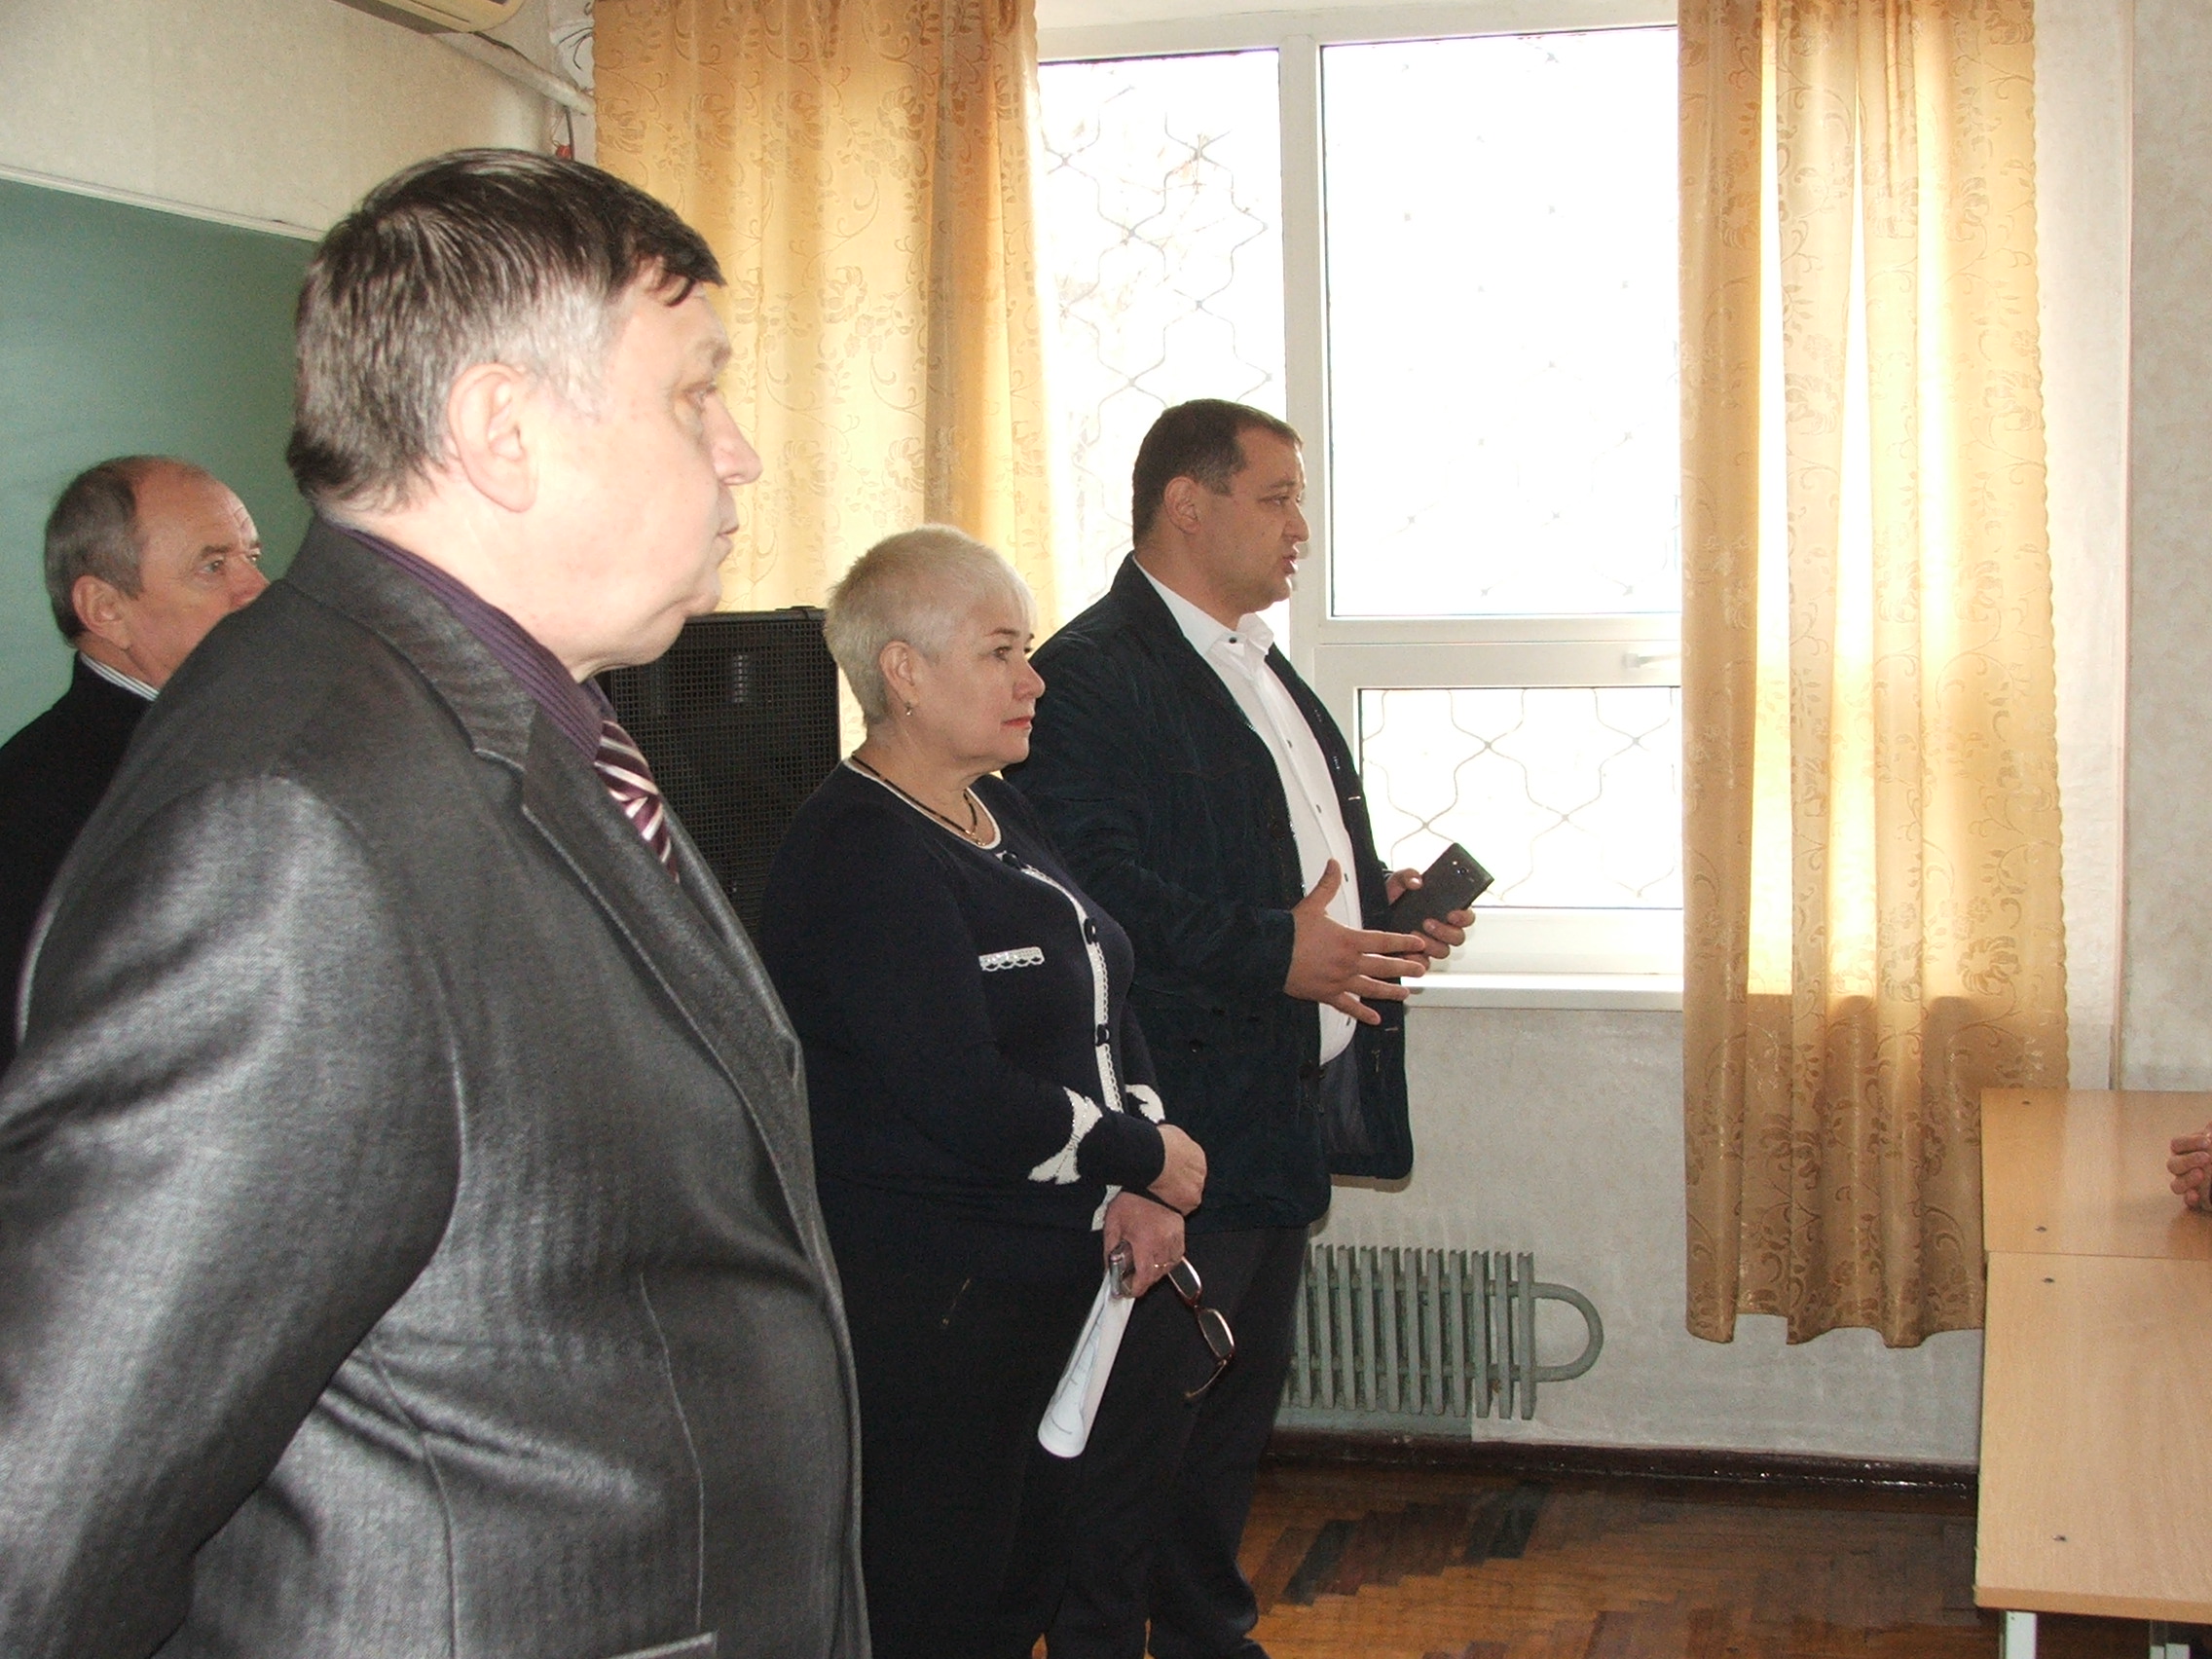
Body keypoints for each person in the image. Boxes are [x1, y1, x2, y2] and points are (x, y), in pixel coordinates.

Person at [0, 151, 863, 1658]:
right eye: (693, 393)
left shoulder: (505, 716)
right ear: (501, 430)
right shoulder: (295, 827)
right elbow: (43, 1510)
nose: (737, 454)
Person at [1008, 399, 1473, 1659]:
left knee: (1220, 1435)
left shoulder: (1253, 659)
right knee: (1134, 1440)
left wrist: (1380, 913)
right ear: (1187, 504)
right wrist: (1280, 948)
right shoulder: (1091, 675)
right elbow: (1091, 894)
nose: (1300, 527)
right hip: (1177, 1124)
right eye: (1275, 499)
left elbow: (1275, 859)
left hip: (1270, 1120)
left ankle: (1208, 1635)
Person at [759, 526, 1208, 1659]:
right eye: (1001, 651)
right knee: (936, 1596)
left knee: (1022, 1582)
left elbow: (1105, 991)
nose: (1033, 679)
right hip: (937, 1298)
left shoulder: (1000, 807)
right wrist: (1143, 1157)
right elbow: (960, 1093)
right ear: (903, 673)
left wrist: (1140, 1164)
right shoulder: (859, 852)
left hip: (1052, 1274)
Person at [0, 455, 266, 1067]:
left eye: (251, 556)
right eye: (213, 566)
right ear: (105, 609)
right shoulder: (33, 806)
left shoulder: (247, 733)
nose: (257, 588)